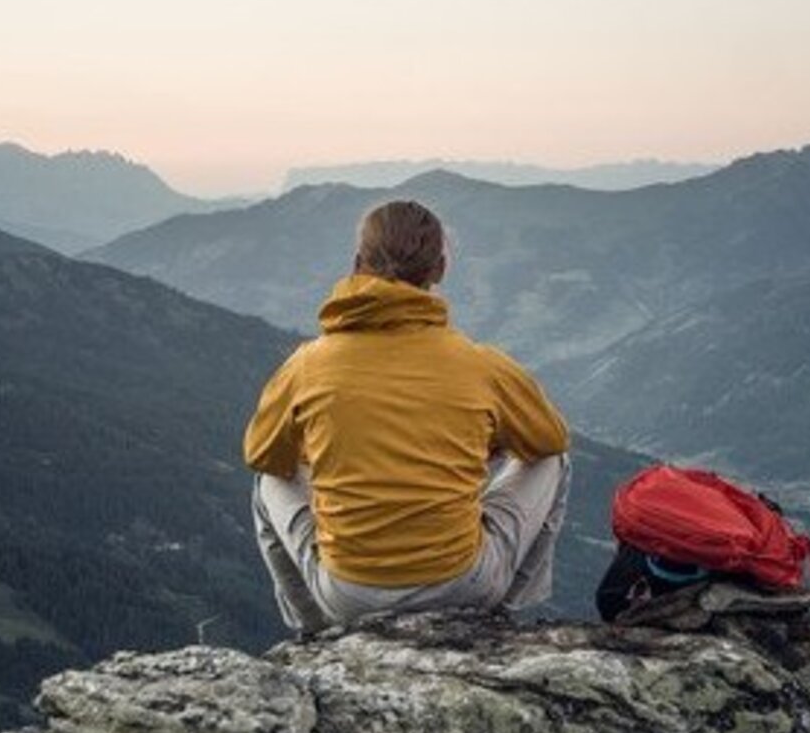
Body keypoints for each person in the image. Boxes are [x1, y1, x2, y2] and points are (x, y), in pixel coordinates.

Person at [242, 199, 571, 631]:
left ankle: (316, 631)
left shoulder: (308, 366)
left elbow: (263, 457)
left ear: (358, 263)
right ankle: (500, 616)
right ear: (439, 270)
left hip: (349, 596)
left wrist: (327, 451)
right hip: (465, 585)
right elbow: (551, 440)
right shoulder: (481, 365)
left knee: (269, 482)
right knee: (553, 462)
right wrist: (481, 445)